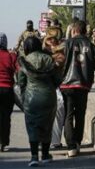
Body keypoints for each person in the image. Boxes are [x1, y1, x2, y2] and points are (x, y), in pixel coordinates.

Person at [60, 20, 95, 157]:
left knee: (68, 115)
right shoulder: (91, 47)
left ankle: (71, 146)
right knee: (80, 115)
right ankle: (77, 143)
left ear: (73, 31)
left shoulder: (66, 45)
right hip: (83, 86)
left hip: (66, 86)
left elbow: (57, 64)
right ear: (86, 32)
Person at [17, 37, 61, 166]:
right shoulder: (48, 59)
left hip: (31, 99)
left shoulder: (24, 61)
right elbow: (57, 79)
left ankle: (34, 156)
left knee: (32, 126)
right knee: (47, 124)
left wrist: (25, 96)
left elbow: (21, 82)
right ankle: (46, 154)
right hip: (49, 97)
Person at [43, 28, 65, 149]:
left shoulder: (61, 52)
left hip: (56, 86)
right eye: (49, 38)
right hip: (43, 86)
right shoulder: (42, 52)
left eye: (53, 38)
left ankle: (55, 141)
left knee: (59, 108)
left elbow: (59, 63)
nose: (51, 41)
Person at [0, 33, 17, 152]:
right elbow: (19, 70)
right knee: (6, 116)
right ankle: (3, 142)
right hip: (7, 89)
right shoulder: (11, 56)